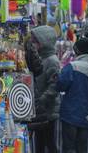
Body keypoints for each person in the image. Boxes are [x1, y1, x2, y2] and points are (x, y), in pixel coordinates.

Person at [58, 37, 88, 153]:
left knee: (69, 148)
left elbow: (61, 86)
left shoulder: (73, 66)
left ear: (78, 51)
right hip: (87, 115)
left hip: (70, 114)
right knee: (82, 148)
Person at [27, 25, 60, 153]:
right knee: (39, 142)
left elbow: (54, 85)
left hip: (48, 110)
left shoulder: (52, 61)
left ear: (44, 42)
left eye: (36, 41)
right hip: (40, 109)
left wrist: (41, 99)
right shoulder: (41, 58)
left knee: (49, 142)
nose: (33, 45)